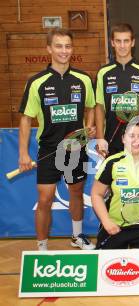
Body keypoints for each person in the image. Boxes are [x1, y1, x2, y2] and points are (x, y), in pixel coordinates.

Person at [18, 28, 96, 250]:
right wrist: (23, 153)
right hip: (49, 149)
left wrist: (88, 126)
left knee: (76, 192)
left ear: (72, 49)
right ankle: (42, 246)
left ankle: (77, 236)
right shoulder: (37, 82)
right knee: (45, 199)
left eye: (68, 46)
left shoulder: (82, 79)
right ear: (49, 49)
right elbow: (25, 119)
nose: (64, 51)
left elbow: (91, 107)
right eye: (59, 46)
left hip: (76, 148)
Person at [95, 23, 139, 157]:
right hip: (111, 139)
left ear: (132, 42)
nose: (122, 45)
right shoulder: (103, 72)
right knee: (113, 177)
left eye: (126, 41)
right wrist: (100, 138)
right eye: (118, 41)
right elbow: (99, 107)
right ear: (112, 43)